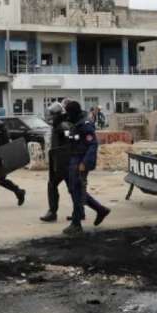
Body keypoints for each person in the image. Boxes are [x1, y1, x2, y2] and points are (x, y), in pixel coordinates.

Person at [63, 100, 110, 235]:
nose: (67, 115)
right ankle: (100, 209)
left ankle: (76, 224)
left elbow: (92, 144)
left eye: (68, 113)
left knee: (77, 191)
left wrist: (85, 163)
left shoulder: (85, 124)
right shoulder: (76, 122)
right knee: (74, 190)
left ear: (74, 112)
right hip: (74, 159)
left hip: (81, 161)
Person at [40, 101, 71, 222]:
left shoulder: (63, 126)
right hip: (58, 160)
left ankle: (52, 212)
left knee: (52, 185)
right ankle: (80, 211)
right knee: (72, 188)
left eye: (52, 115)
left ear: (58, 115)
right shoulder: (57, 126)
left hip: (63, 161)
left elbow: (69, 142)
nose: (50, 117)